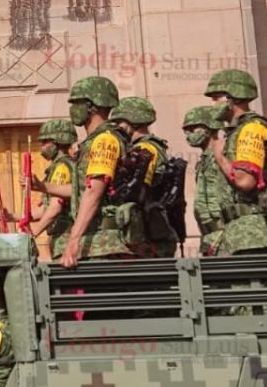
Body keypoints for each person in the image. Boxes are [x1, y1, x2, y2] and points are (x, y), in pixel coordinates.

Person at [37, 76, 134, 267]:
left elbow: (94, 191)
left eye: (76, 103)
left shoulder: (104, 140)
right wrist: (41, 186)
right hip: (95, 242)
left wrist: (73, 242)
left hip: (103, 245)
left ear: (91, 106)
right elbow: (80, 189)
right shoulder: (93, 142)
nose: (72, 109)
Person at [203, 69, 267, 254]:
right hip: (238, 234)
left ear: (231, 98)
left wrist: (219, 156)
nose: (212, 104)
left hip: (253, 237)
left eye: (216, 97)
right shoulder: (236, 131)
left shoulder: (251, 129)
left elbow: (245, 181)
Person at [107, 97, 179, 258]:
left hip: (148, 237)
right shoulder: (148, 147)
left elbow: (136, 193)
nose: (116, 128)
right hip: (149, 234)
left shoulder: (146, 149)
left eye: (119, 122)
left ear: (131, 122)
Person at [21, 119, 78, 261]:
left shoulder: (62, 167)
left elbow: (55, 208)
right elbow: (45, 209)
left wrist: (34, 232)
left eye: (45, 142)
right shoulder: (58, 167)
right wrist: (12, 216)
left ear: (57, 142)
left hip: (66, 238)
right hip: (60, 240)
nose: (42, 147)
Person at [182, 105, 229, 253]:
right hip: (209, 235)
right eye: (186, 131)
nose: (189, 135)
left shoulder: (223, 153)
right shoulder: (203, 160)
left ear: (209, 128)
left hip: (224, 232)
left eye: (193, 128)